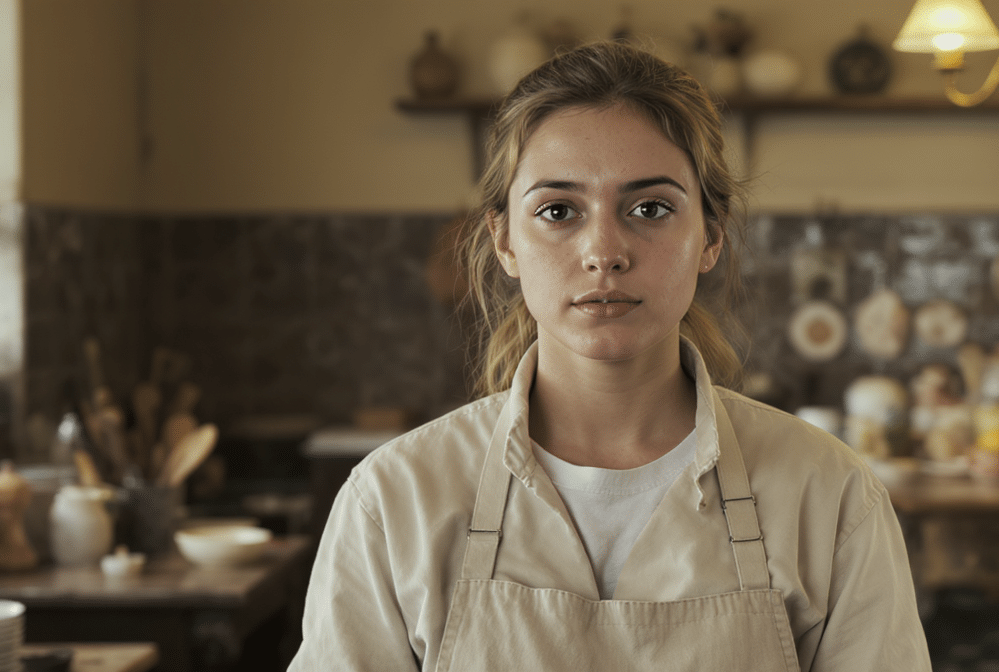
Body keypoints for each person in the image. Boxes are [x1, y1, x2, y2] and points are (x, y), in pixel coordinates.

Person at [290, 41, 931, 671]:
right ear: (504, 240)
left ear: (710, 236)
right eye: (558, 210)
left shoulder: (831, 496)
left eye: (650, 208)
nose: (604, 252)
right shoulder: (394, 501)